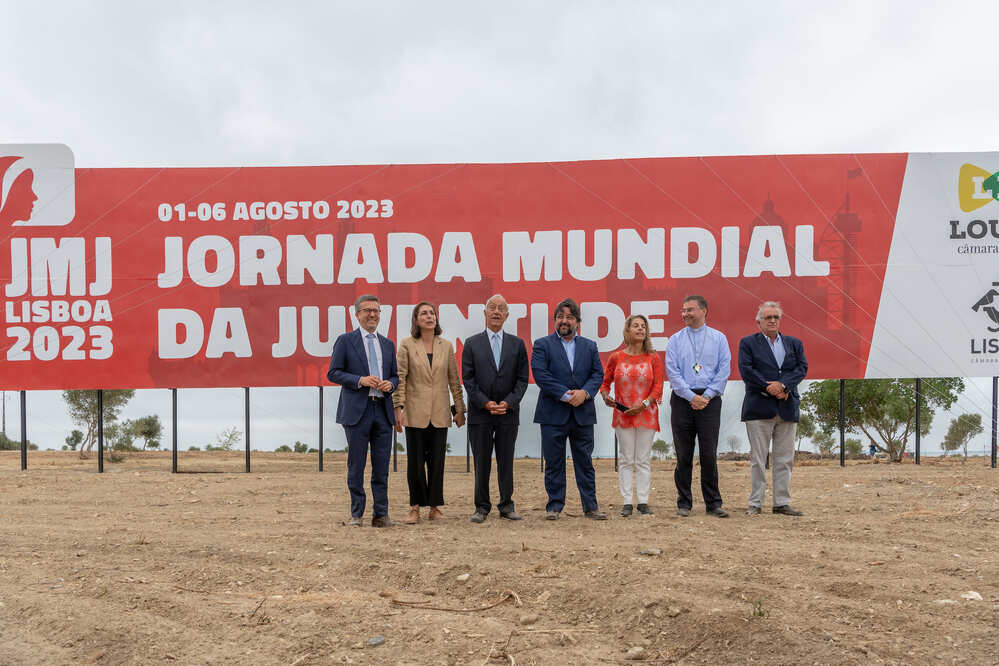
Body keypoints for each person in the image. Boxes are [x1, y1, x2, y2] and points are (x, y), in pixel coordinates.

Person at [327, 295, 399, 527]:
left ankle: (381, 514)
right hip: (358, 411)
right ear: (356, 314)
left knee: (382, 466)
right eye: (367, 310)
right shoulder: (345, 341)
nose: (372, 315)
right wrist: (360, 380)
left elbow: (395, 375)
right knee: (356, 464)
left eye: (376, 311)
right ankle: (356, 514)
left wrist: (391, 384)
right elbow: (334, 372)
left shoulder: (388, 344)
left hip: (383, 410)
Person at [531, 298, 607, 520]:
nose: (564, 321)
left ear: (577, 322)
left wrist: (584, 393)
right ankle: (554, 506)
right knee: (554, 462)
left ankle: (591, 507)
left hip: (582, 413)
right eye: (560, 317)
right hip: (553, 413)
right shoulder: (542, 344)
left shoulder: (589, 346)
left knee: (585, 462)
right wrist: (566, 395)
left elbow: (597, 374)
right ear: (555, 320)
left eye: (570, 317)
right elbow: (540, 374)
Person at [394, 302, 466, 524]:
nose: (429, 316)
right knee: (415, 463)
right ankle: (414, 507)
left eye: (432, 313)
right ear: (416, 320)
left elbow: (454, 380)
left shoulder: (446, 346)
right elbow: (401, 378)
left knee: (437, 462)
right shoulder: (406, 345)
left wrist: (460, 409)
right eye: (423, 313)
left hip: (440, 412)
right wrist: (399, 408)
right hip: (414, 413)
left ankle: (434, 507)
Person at [462, 294, 530, 523]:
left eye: (501, 308)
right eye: (492, 307)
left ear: (507, 315)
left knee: (506, 461)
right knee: (481, 462)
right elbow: (468, 380)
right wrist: (485, 402)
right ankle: (481, 507)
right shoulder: (471, 343)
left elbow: (522, 379)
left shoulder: (517, 344)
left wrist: (509, 402)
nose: (496, 311)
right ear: (485, 312)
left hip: (508, 414)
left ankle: (506, 505)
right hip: (480, 414)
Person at [738, 301, 808, 516]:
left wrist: (784, 385)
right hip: (759, 407)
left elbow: (801, 368)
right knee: (758, 460)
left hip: (786, 407)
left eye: (775, 317)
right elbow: (746, 370)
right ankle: (756, 503)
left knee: (784, 459)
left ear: (780, 320)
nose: (772, 320)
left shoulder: (793, 343)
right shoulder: (748, 343)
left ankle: (781, 502)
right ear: (758, 321)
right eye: (767, 317)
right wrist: (769, 387)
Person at [665, 295, 731, 518]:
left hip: (710, 402)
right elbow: (672, 373)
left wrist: (708, 395)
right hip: (683, 400)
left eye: (690, 310)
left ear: (704, 311)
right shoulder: (675, 340)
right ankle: (684, 503)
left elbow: (724, 370)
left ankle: (713, 504)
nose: (685, 314)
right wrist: (690, 396)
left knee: (708, 454)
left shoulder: (719, 338)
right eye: (683, 310)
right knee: (683, 455)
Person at [599, 314, 664, 516]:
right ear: (627, 331)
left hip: (646, 413)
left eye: (643, 326)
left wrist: (643, 404)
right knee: (627, 458)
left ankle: (643, 501)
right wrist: (605, 396)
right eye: (635, 326)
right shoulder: (616, 357)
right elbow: (604, 383)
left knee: (643, 459)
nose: (640, 329)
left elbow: (658, 387)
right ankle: (627, 502)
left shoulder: (653, 357)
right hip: (623, 414)